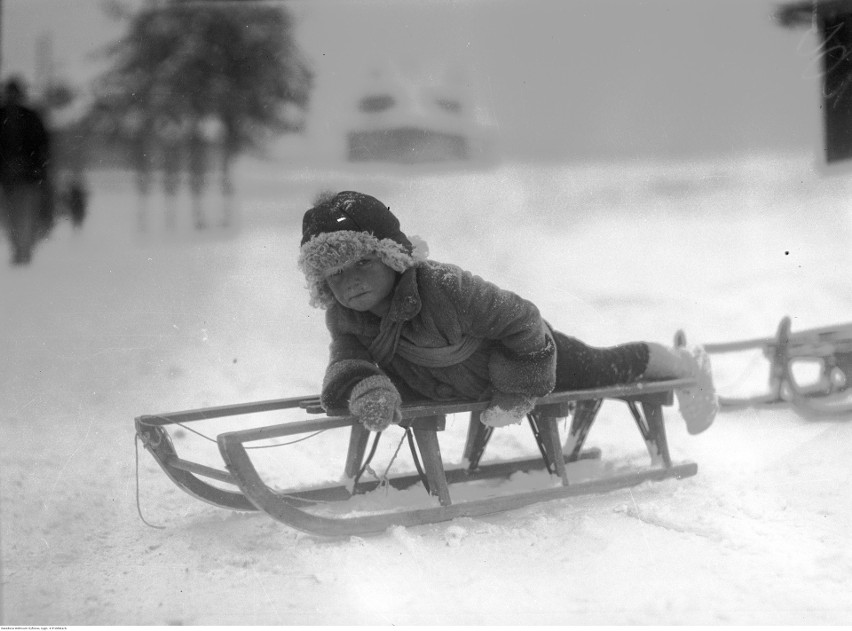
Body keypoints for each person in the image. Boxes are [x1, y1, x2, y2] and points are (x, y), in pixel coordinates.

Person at [298, 191, 718, 434]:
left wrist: (518, 392)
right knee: (601, 365)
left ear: (392, 257)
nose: (349, 282)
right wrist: (367, 389)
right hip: (458, 381)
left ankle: (680, 362)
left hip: (535, 357)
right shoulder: (345, 316)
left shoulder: (446, 288)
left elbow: (523, 321)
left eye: (361, 264)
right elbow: (347, 358)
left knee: (602, 366)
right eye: (333, 275)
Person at [0, 77, 52, 265]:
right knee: (13, 217)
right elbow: (43, 148)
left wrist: (32, 167)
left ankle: (23, 249)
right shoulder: (27, 116)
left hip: (26, 178)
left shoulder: (30, 117)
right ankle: (20, 248)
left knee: (21, 215)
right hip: (12, 179)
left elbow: (41, 148)